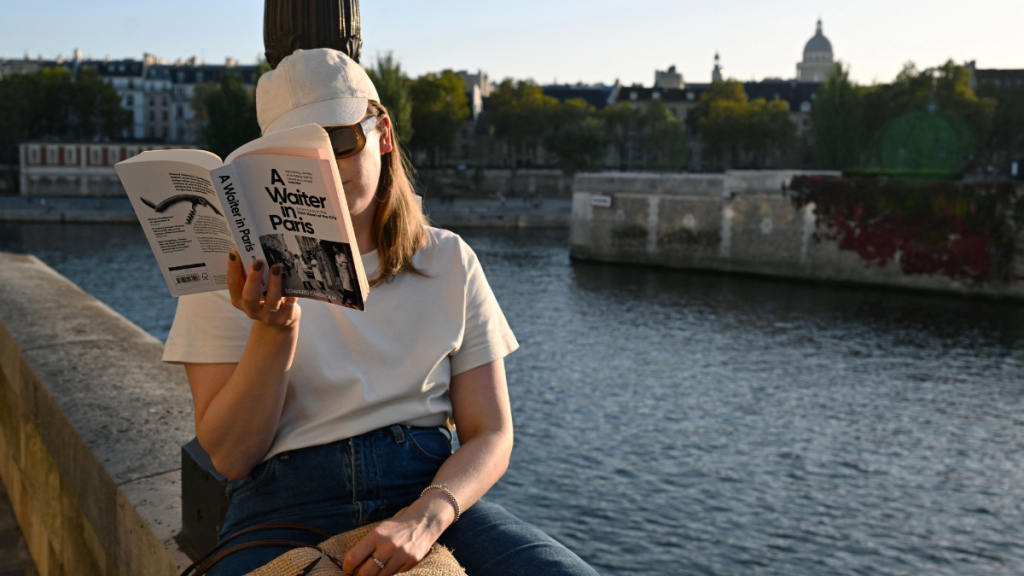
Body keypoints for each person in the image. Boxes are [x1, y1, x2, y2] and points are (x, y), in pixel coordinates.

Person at [163, 49, 599, 576]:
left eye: (340, 141)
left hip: (426, 493)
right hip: (280, 512)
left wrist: (428, 515)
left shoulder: (448, 260)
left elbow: (491, 433)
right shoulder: (229, 276)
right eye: (295, 155)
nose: (322, 166)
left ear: (383, 134)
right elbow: (231, 458)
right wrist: (274, 330)